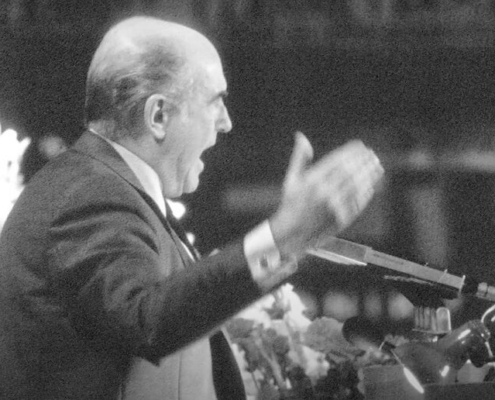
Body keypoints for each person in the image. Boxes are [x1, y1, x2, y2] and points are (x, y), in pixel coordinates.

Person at [0, 16, 383, 400]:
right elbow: (146, 321)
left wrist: (289, 239)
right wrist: (282, 236)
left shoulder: (107, 188)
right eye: (216, 101)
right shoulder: (89, 192)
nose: (226, 123)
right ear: (159, 116)